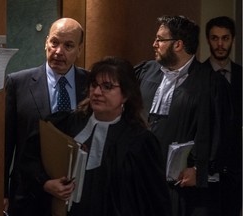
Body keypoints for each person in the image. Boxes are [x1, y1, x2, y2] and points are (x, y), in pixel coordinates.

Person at [20, 56, 172, 216]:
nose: (97, 92)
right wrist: (46, 183)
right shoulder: (66, 124)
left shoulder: (140, 141)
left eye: (107, 87)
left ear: (126, 95)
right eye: (94, 85)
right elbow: (29, 159)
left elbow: (156, 200)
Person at [134, 15, 231, 216]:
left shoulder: (211, 83)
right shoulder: (146, 71)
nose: (154, 44)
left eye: (160, 39)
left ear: (178, 44)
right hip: (141, 178)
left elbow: (221, 133)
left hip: (181, 187)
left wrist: (200, 169)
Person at [4, 17, 89, 216]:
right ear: (46, 43)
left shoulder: (91, 84)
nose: (59, 51)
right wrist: (2, 192)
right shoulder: (18, 83)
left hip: (77, 195)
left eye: (68, 45)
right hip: (28, 194)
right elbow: (6, 143)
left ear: (79, 50)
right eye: (54, 43)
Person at [202, 16, 242, 216]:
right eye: (215, 38)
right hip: (205, 170)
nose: (220, 44)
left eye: (225, 38)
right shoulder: (198, 76)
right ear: (208, 40)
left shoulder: (242, 76)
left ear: (232, 39)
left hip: (236, 169)